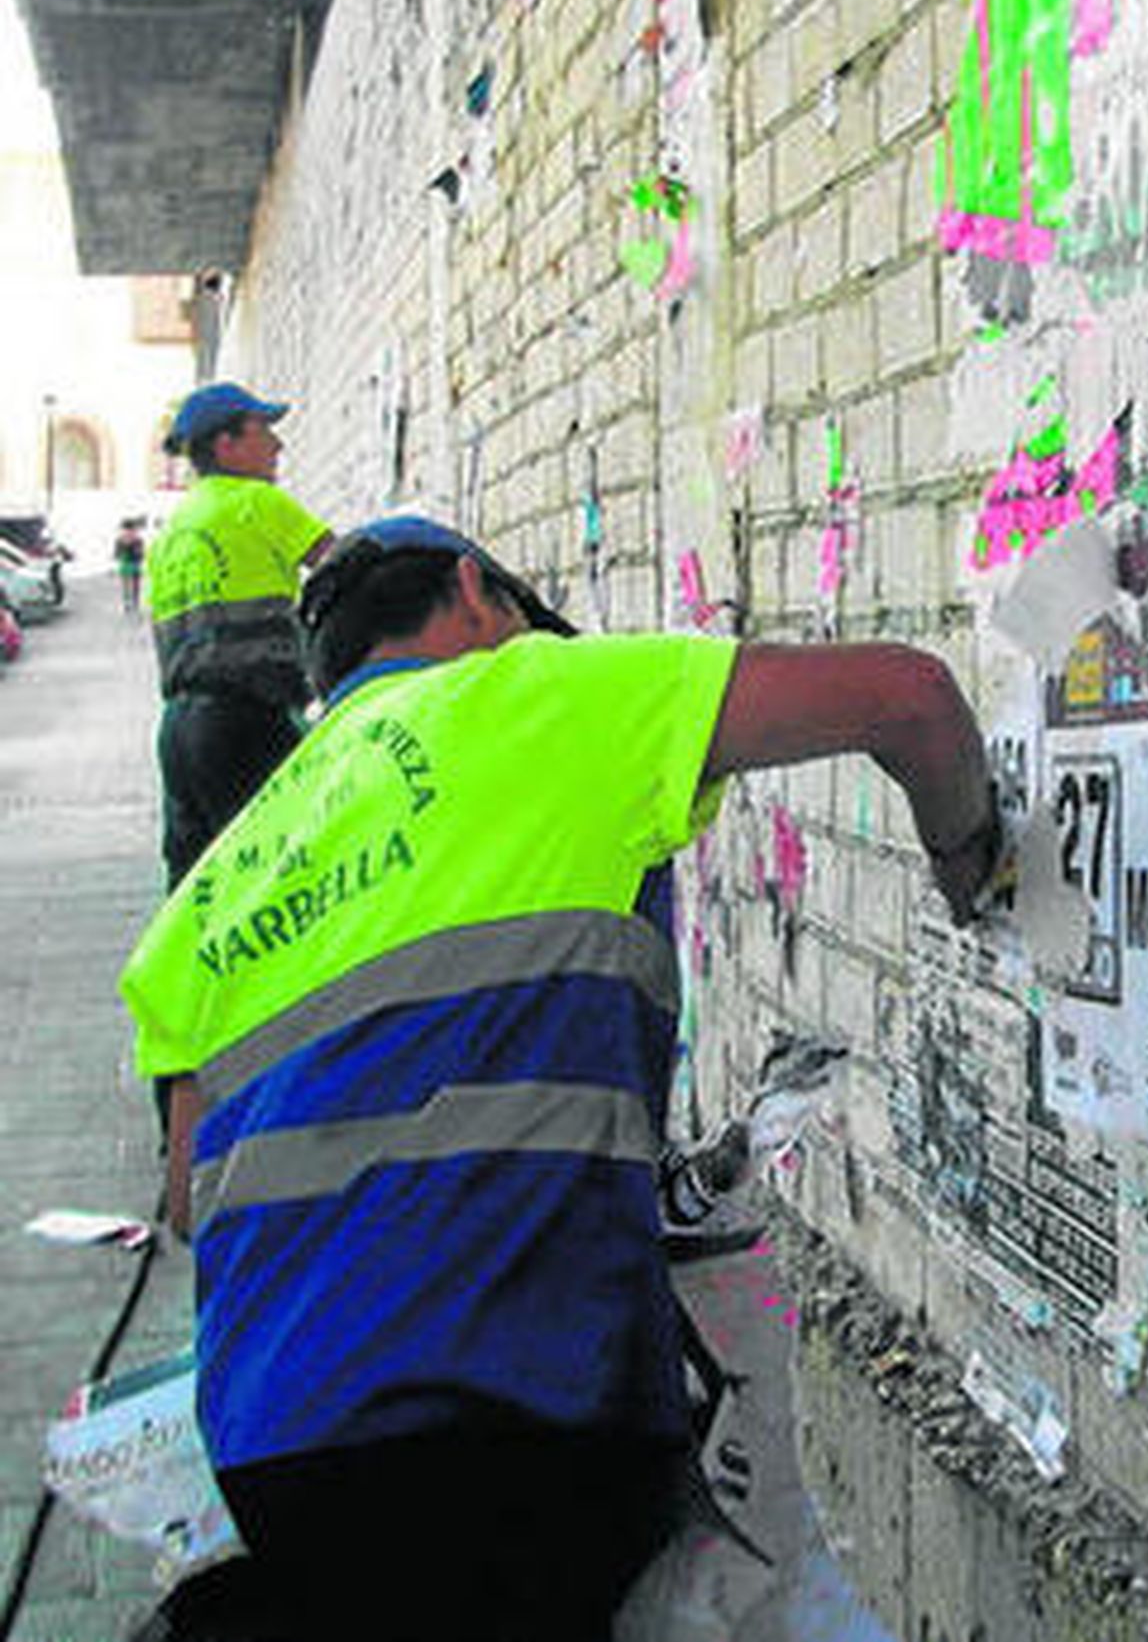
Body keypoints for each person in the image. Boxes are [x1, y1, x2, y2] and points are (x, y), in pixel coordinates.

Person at [120, 516, 999, 1642]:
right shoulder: (535, 694)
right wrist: (973, 862)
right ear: (474, 591)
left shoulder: (211, 889)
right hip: (514, 1409)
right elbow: (912, 698)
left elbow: (188, 1201)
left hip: (268, 1446)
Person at [146, 382, 333, 889]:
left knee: (197, 888)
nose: (278, 445)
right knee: (279, 875)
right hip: (247, 721)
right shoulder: (257, 502)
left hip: (178, 730)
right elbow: (345, 566)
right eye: (263, 431)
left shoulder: (171, 533)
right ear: (226, 445)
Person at [112, 518, 145, 613]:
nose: (128, 533)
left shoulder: (138, 541)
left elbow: (141, 555)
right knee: (125, 586)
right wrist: (122, 552)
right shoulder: (119, 541)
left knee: (135, 585)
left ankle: (135, 602)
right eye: (126, 530)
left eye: (131, 530)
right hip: (125, 566)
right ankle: (126, 603)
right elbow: (116, 554)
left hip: (134, 565)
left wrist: (136, 551)